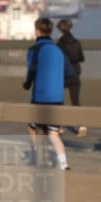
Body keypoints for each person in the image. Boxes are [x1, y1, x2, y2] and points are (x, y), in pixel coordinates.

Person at [24, 17, 72, 171]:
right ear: (50, 31)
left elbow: (32, 70)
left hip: (40, 98)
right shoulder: (59, 50)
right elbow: (70, 73)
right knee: (53, 133)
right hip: (57, 98)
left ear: (37, 31)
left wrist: (27, 84)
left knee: (32, 126)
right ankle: (63, 163)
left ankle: (38, 154)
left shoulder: (34, 49)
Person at [56, 18, 86, 137]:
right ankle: (81, 125)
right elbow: (82, 58)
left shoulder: (59, 44)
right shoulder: (77, 42)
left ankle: (58, 127)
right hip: (75, 75)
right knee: (75, 101)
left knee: (59, 100)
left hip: (63, 75)